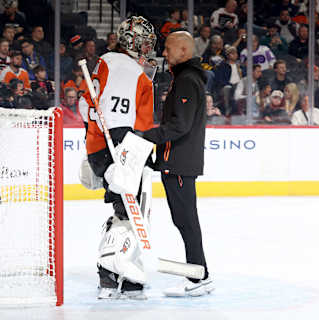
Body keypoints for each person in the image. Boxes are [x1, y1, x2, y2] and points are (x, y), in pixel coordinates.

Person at [84, 16, 156, 300]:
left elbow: (87, 106)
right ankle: (111, 276)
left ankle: (119, 276)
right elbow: (117, 118)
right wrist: (122, 159)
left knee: (128, 211)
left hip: (110, 146)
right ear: (134, 41)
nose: (149, 46)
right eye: (145, 40)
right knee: (131, 212)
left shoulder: (108, 62)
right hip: (120, 147)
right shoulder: (126, 67)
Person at [138, 31, 213, 297]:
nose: (165, 54)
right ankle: (199, 274)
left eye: (168, 49)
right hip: (175, 162)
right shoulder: (184, 79)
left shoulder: (187, 81)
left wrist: (144, 136)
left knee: (186, 221)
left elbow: (180, 125)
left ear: (183, 50)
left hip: (179, 163)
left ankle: (198, 277)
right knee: (184, 220)